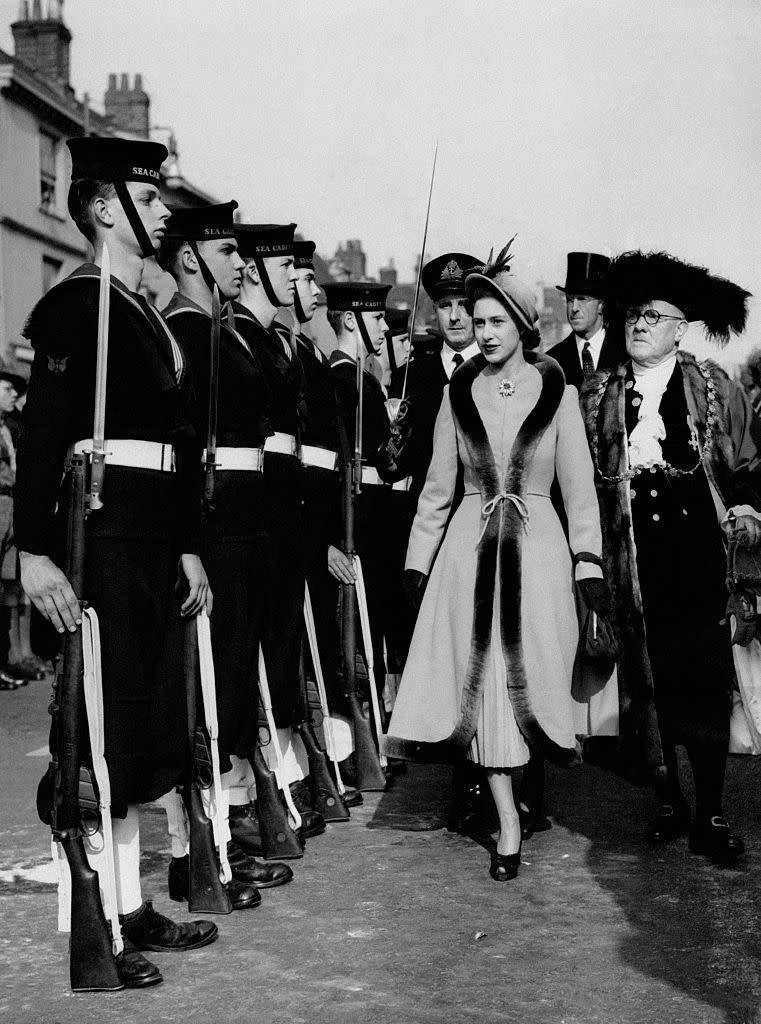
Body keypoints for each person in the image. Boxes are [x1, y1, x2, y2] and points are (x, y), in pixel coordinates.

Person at [15, 136, 217, 989]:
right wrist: (29, 550)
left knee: (131, 734)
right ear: (105, 207)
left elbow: (172, 451)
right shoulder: (74, 308)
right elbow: (43, 434)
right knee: (91, 737)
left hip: (146, 547)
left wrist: (184, 549)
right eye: (147, 192)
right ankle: (93, 922)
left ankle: (128, 903)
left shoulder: (136, 308)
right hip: (95, 545)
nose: (163, 207)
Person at [385, 249, 609, 881]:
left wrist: (587, 568)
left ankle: (523, 800)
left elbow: (581, 489)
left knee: (530, 680)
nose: (482, 333)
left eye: (495, 323)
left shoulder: (558, 392)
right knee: (479, 686)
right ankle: (507, 821)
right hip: (469, 552)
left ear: (522, 325)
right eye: (476, 322)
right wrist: (416, 566)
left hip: (537, 554)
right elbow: (436, 489)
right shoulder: (458, 393)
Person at [580, 249, 758, 864]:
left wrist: (744, 511)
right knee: (645, 682)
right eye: (633, 315)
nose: (639, 326)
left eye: (653, 317)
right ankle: (667, 800)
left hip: (698, 557)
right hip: (633, 557)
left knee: (704, 684)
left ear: (680, 328)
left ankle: (709, 811)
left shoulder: (714, 386)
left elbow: (747, 467)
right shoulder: (597, 394)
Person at [159, 200, 293, 905]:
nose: (242, 264)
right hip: (214, 529)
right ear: (188, 258)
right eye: (227, 252)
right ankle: (200, 850)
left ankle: (228, 832)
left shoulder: (223, 332)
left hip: (248, 526)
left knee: (235, 689)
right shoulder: (182, 331)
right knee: (205, 693)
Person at [232, 223, 325, 838]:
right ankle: (247, 797)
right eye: (294, 270)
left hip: (285, 514)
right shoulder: (237, 338)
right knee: (253, 652)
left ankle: (284, 785)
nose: (303, 283)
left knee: (284, 648)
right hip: (255, 515)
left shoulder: (282, 342)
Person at [324, 281, 403, 780]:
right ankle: (356, 752)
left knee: (370, 642)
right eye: (375, 319)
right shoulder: (341, 378)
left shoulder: (364, 380)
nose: (382, 328)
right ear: (352, 320)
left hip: (371, 520)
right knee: (353, 645)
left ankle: (371, 744)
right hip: (355, 521)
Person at [547, 252, 623, 388]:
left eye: (582, 299)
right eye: (570, 300)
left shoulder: (625, 351)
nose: (574, 308)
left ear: (601, 305)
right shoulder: (552, 361)